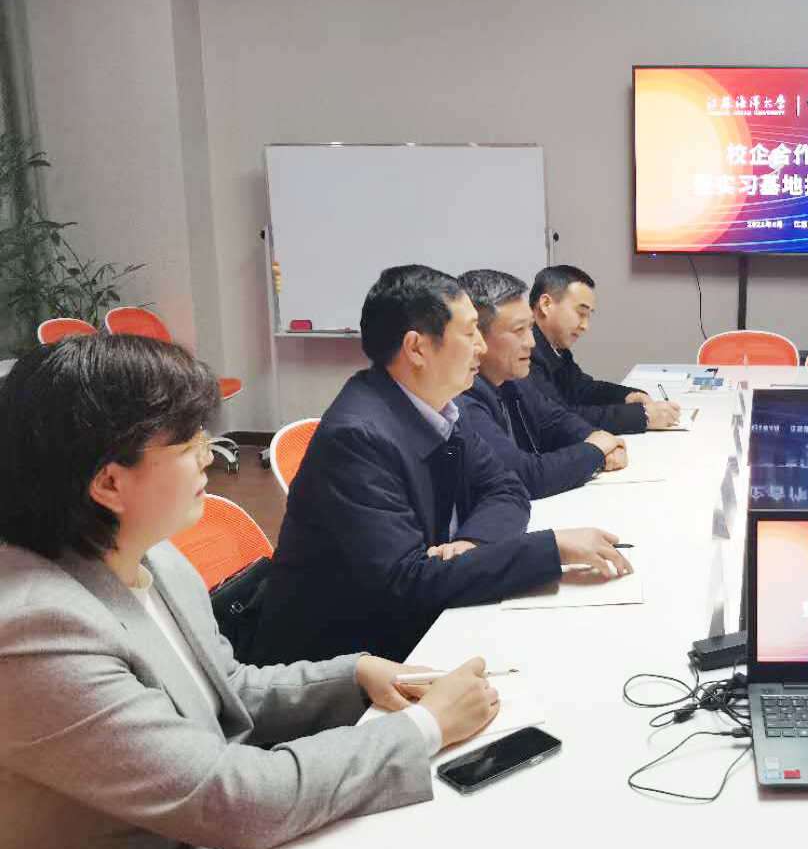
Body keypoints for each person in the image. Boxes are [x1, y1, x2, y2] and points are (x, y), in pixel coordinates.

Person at [0, 334, 503, 849]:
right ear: (110, 482)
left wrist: (355, 675)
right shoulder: (37, 633)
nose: (210, 456)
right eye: (189, 442)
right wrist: (424, 728)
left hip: (206, 840)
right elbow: (229, 800)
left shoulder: (153, 556)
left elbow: (225, 692)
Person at [250, 265, 631, 666]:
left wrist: (474, 546)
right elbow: (407, 582)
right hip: (345, 660)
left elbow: (506, 486)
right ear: (417, 348)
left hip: (420, 619)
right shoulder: (357, 438)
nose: (481, 347)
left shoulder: (441, 405)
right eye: (469, 333)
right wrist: (551, 548)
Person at [457, 269, 626, 498]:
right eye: (519, 330)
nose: (531, 342)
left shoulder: (514, 379)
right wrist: (595, 451)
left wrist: (598, 438)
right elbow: (524, 475)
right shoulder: (462, 397)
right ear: (476, 337)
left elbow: (555, 419)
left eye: (530, 327)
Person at [528, 264, 681, 432]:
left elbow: (584, 389)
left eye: (588, 316)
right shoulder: (526, 352)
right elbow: (560, 418)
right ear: (546, 304)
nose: (585, 326)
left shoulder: (555, 348)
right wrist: (642, 415)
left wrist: (627, 396)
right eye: (580, 313)